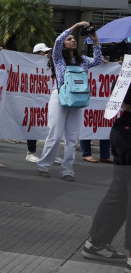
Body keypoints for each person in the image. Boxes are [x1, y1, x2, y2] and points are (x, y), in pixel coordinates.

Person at [37, 21, 103, 182]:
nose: (72, 40)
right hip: (59, 96)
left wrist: (95, 40)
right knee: (55, 135)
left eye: (74, 39)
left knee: (72, 138)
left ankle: (67, 170)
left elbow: (97, 60)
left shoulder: (83, 60)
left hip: (77, 99)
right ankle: (44, 165)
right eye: (69, 39)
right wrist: (77, 25)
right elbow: (58, 40)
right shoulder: (58, 58)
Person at [80, 83, 131, 267]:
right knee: (119, 195)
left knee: (119, 195)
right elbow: (121, 92)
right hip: (126, 129)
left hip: (124, 130)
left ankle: (96, 244)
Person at [26, 43, 52, 163]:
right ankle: (31, 152)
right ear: (36, 54)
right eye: (44, 52)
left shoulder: (51, 65)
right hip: (33, 100)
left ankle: (50, 153)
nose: (47, 54)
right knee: (33, 124)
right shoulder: (28, 65)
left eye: (47, 52)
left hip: (47, 99)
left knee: (51, 126)